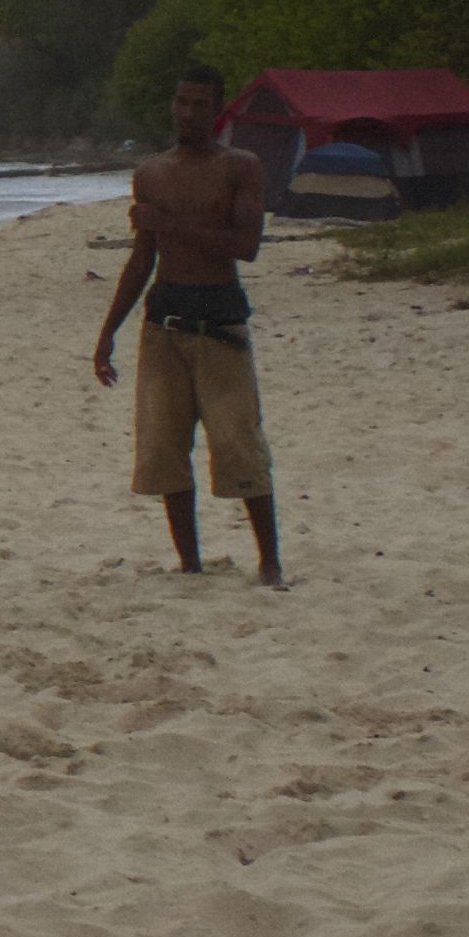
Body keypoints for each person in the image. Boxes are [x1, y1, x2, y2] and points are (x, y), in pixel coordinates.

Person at [91, 66, 282, 586]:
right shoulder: (152, 172)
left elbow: (246, 246)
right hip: (163, 323)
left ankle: (269, 562)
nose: (187, 113)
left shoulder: (240, 166)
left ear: (217, 111)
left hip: (220, 319)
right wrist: (109, 331)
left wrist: (168, 224)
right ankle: (189, 562)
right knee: (164, 449)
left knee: (239, 443)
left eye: (199, 104)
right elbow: (141, 259)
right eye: (181, 102)